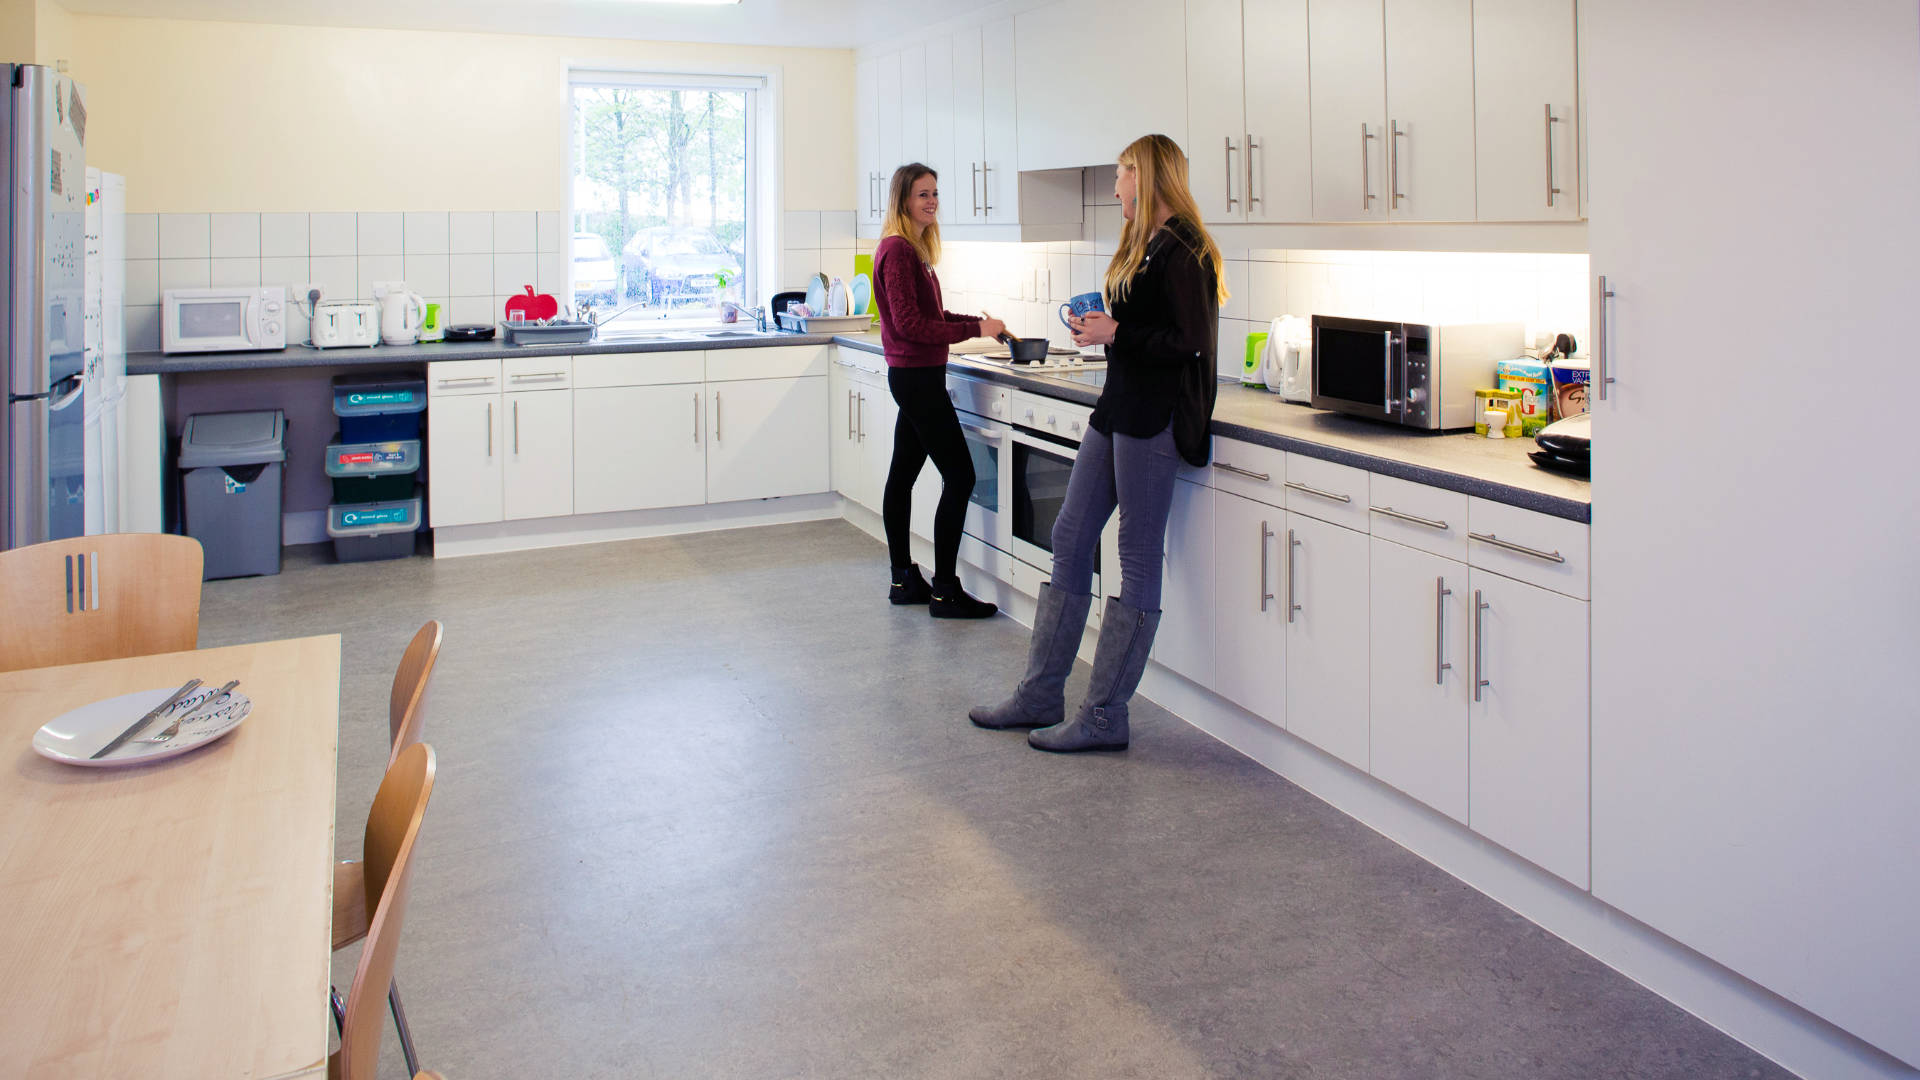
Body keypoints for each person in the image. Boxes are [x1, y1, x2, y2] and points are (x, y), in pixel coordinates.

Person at [970, 134, 1226, 752]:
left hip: (1155, 419)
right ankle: (1040, 695)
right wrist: (1104, 332)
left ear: (1147, 175)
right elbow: (1146, 330)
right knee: (1070, 536)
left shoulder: (1186, 248)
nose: (1115, 188)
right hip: (1118, 409)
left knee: (1135, 559)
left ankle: (1105, 716)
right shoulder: (1148, 244)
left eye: (1121, 175)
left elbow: (1190, 343)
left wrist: (1117, 332)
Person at [872, 163, 1006, 618]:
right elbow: (910, 325)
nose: (931, 202)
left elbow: (931, 315)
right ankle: (945, 590)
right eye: (922, 194)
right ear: (903, 200)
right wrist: (974, 330)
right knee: (961, 476)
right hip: (917, 379)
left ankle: (903, 580)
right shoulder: (898, 251)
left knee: (902, 476)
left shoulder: (912, 251)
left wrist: (980, 325)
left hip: (917, 377)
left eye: (934, 193)